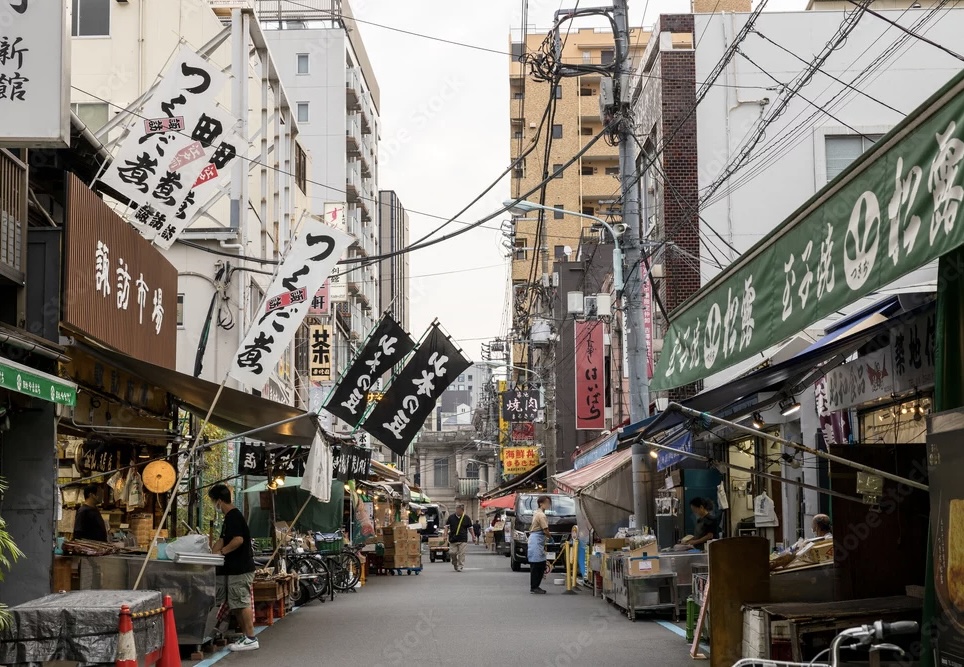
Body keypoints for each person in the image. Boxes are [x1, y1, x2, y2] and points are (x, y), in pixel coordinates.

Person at [208, 484, 258, 652]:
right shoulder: (229, 518)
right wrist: (212, 552)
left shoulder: (234, 516)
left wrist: (221, 552)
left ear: (219, 501)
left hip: (241, 569)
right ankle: (246, 636)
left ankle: (251, 638)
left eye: (213, 501)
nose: (213, 504)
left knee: (241, 602)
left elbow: (238, 540)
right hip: (234, 569)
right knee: (235, 603)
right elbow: (223, 539)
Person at [528, 495, 552, 594]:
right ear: (541, 503)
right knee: (537, 564)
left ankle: (535, 586)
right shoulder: (541, 515)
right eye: (546, 503)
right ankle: (534, 586)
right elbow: (545, 529)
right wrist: (550, 537)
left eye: (549, 503)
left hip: (536, 539)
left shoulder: (537, 512)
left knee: (539, 563)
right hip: (537, 539)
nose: (548, 505)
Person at [444, 504, 473, 572]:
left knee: (461, 553)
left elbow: (470, 528)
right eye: (456, 510)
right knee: (452, 553)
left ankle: (460, 565)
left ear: (462, 511)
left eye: (459, 510)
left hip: (463, 539)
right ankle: (455, 563)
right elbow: (446, 527)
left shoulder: (466, 518)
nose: (457, 511)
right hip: (453, 538)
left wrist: (473, 536)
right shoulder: (451, 517)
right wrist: (445, 535)